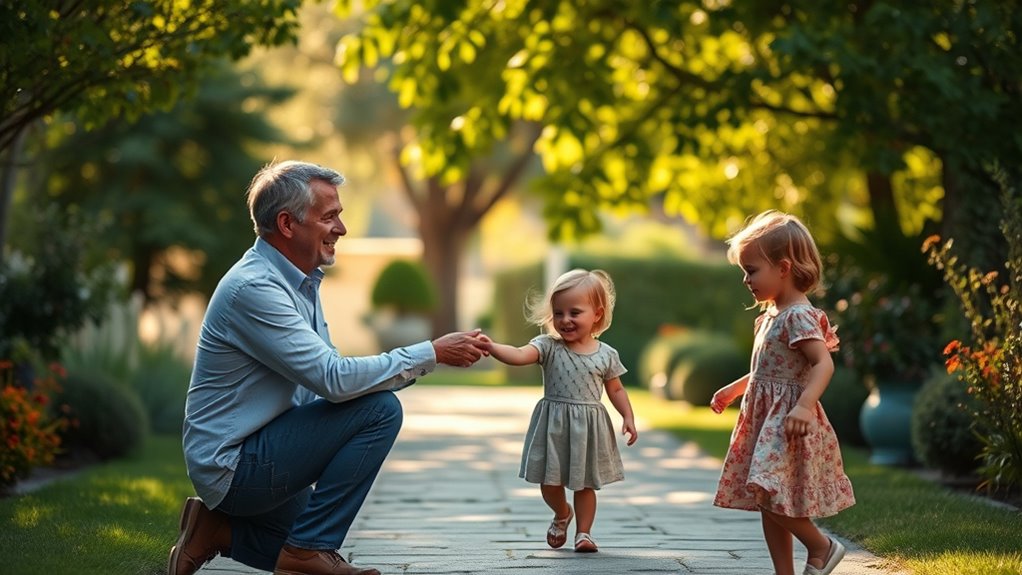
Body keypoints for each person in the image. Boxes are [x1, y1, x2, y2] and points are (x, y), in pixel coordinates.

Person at [168, 160, 488, 575]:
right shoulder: (256, 288)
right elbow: (334, 380)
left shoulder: (300, 281)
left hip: (265, 449)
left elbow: (330, 382)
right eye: (329, 216)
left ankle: (214, 532)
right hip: (235, 466)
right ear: (287, 224)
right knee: (379, 412)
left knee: (296, 539)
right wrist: (432, 353)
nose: (342, 228)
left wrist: (419, 362)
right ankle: (306, 551)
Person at [709, 211, 855, 575]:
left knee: (769, 492)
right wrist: (734, 389)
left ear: (783, 267)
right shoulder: (770, 316)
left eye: (752, 270)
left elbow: (823, 364)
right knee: (768, 497)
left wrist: (805, 407)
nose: (746, 279)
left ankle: (822, 547)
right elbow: (765, 371)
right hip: (766, 418)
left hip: (788, 421)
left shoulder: (798, 316)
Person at [480, 268, 638, 554]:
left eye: (574, 312)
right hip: (553, 425)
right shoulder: (548, 346)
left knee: (585, 483)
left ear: (597, 314)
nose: (565, 320)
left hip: (588, 427)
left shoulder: (606, 354)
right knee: (549, 481)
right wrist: (492, 347)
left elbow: (616, 389)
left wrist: (627, 416)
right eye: (558, 313)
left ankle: (584, 534)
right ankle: (562, 512)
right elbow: (518, 355)